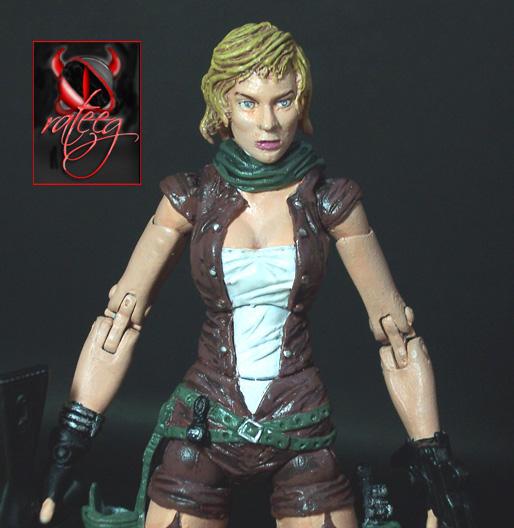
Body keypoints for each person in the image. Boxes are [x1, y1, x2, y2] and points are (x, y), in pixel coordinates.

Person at [40, 22, 443, 528]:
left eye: (283, 101)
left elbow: (396, 337)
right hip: (207, 419)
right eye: (249, 102)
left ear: (302, 102)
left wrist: (435, 465)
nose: (268, 123)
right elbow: (118, 324)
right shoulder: (191, 198)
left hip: (298, 418)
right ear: (223, 106)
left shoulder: (329, 202)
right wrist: (69, 443)